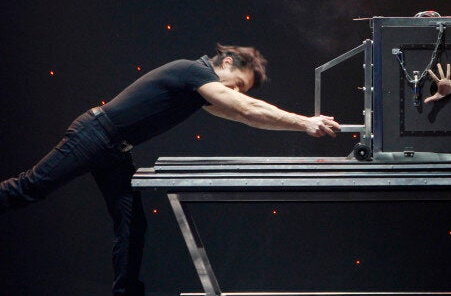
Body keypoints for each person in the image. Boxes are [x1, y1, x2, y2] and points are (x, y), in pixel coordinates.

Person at [0, 44, 341, 296]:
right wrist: (305, 122)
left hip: (115, 150)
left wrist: (301, 126)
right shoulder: (192, 71)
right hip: (95, 134)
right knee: (28, 188)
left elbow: (243, 114)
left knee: (132, 228)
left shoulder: (200, 91)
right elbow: (246, 107)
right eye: (236, 82)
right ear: (224, 61)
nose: (233, 91)